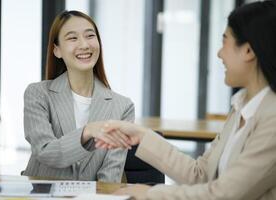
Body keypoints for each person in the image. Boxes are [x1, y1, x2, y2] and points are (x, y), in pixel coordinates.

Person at [93, 1, 276, 199]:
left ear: (248, 51)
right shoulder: (241, 106)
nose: (219, 53)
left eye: (225, 42)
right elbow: (200, 174)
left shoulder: (272, 118)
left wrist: (151, 194)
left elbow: (224, 194)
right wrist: (142, 135)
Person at [22, 10, 134, 182]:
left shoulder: (123, 107)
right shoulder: (38, 94)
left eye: (90, 36)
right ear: (57, 50)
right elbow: (45, 151)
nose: (84, 45)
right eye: (73, 38)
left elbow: (110, 177)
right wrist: (87, 132)